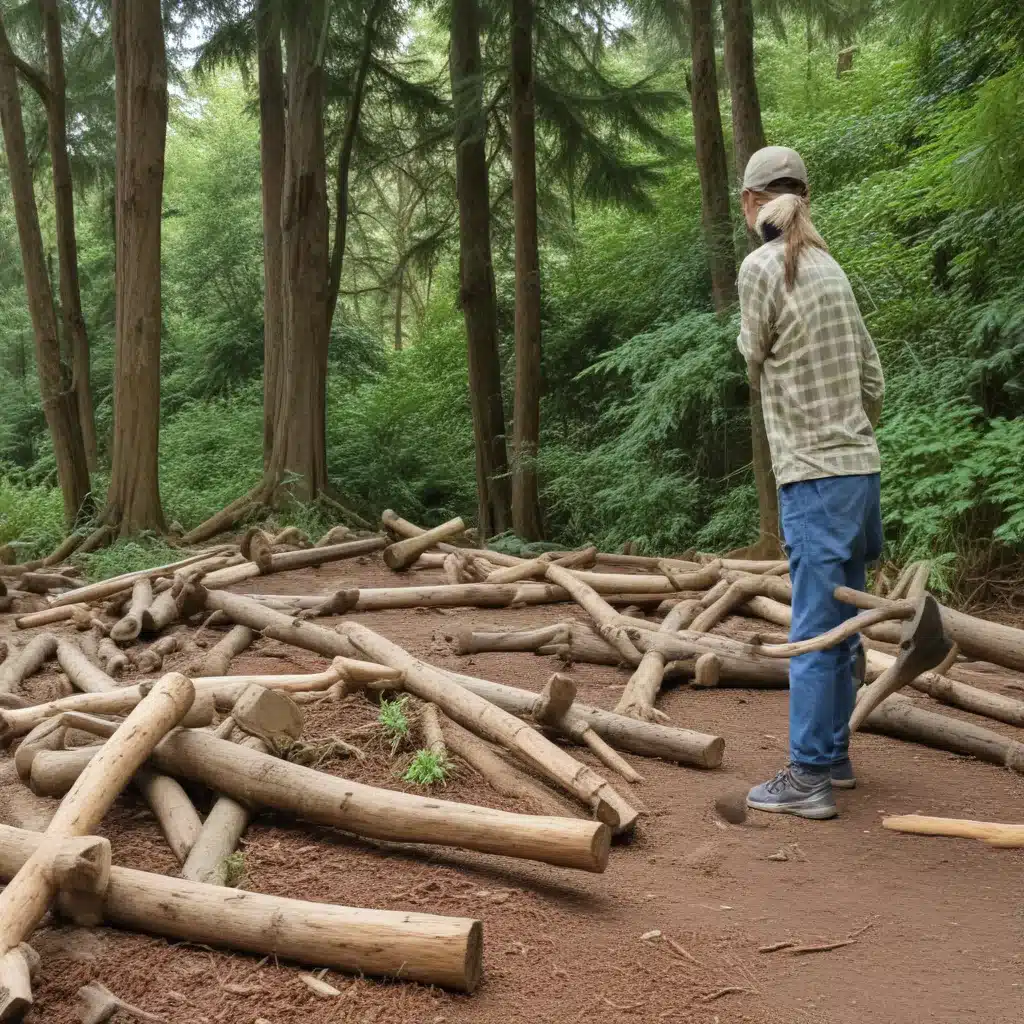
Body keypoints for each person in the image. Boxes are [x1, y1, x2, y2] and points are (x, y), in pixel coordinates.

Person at [737, 146, 885, 820]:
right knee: (846, 621)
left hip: (813, 477)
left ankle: (806, 777)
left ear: (752, 203)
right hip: (860, 471)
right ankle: (835, 756)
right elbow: (874, 381)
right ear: (804, 195)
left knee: (814, 627)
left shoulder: (762, 266)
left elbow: (751, 351)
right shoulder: (830, 267)